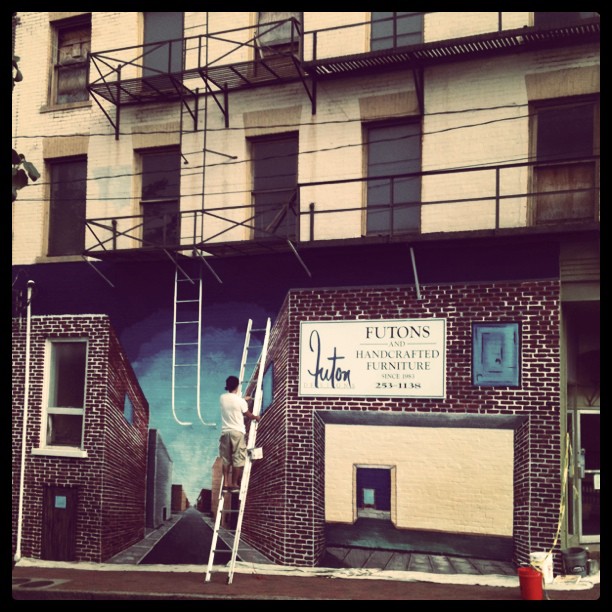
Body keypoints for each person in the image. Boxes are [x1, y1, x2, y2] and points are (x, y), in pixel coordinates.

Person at [218, 375, 260, 492]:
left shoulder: (222, 398)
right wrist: (256, 417)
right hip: (237, 433)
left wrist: (243, 399)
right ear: (237, 386)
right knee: (238, 458)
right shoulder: (240, 402)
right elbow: (248, 414)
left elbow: (232, 401)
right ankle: (234, 484)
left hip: (225, 433)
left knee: (226, 459)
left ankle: (226, 484)